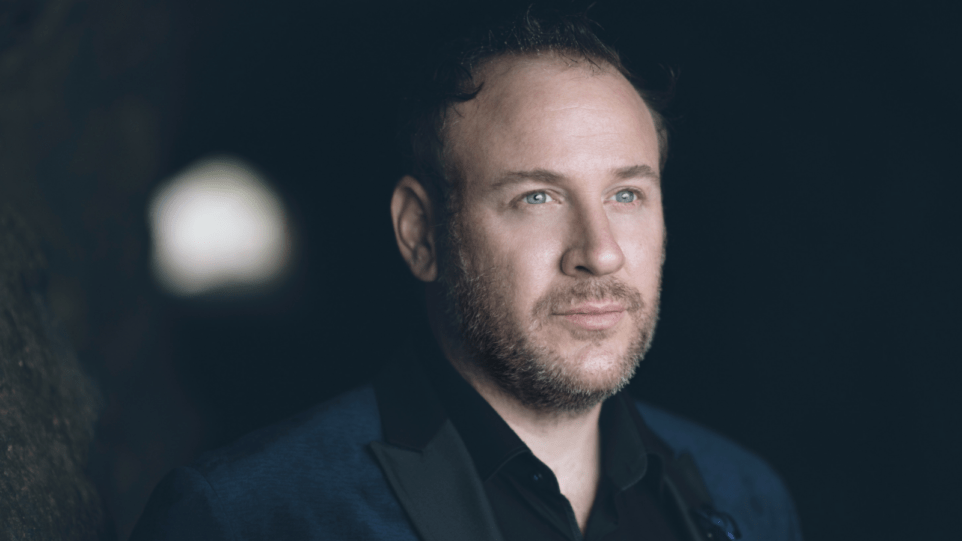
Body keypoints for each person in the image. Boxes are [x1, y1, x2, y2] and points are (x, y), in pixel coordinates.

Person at [131, 9, 802, 541]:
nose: (599, 252)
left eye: (626, 195)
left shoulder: (746, 496)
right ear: (421, 233)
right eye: (536, 197)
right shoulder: (249, 516)